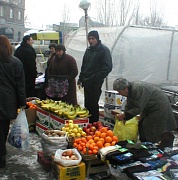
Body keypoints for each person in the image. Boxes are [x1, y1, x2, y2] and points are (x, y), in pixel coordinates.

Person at [113, 78, 177, 143]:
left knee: (151, 127)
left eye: (119, 91)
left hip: (158, 106)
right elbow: (129, 104)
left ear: (125, 88)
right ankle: (145, 144)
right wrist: (125, 116)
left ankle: (154, 145)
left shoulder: (137, 89)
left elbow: (138, 108)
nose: (120, 94)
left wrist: (124, 115)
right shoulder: (130, 90)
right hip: (149, 107)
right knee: (142, 125)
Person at [0, 35, 26, 168]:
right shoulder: (16, 62)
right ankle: (1, 155)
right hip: (8, 101)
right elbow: (20, 85)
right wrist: (22, 102)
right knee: (4, 127)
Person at [77, 30, 112, 123]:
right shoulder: (88, 50)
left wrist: (97, 78)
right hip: (86, 81)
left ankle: (94, 124)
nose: (91, 41)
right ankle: (88, 123)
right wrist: (80, 78)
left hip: (95, 82)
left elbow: (107, 67)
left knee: (93, 104)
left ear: (97, 39)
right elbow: (84, 66)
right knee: (87, 104)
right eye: (89, 39)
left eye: (93, 38)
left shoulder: (103, 50)